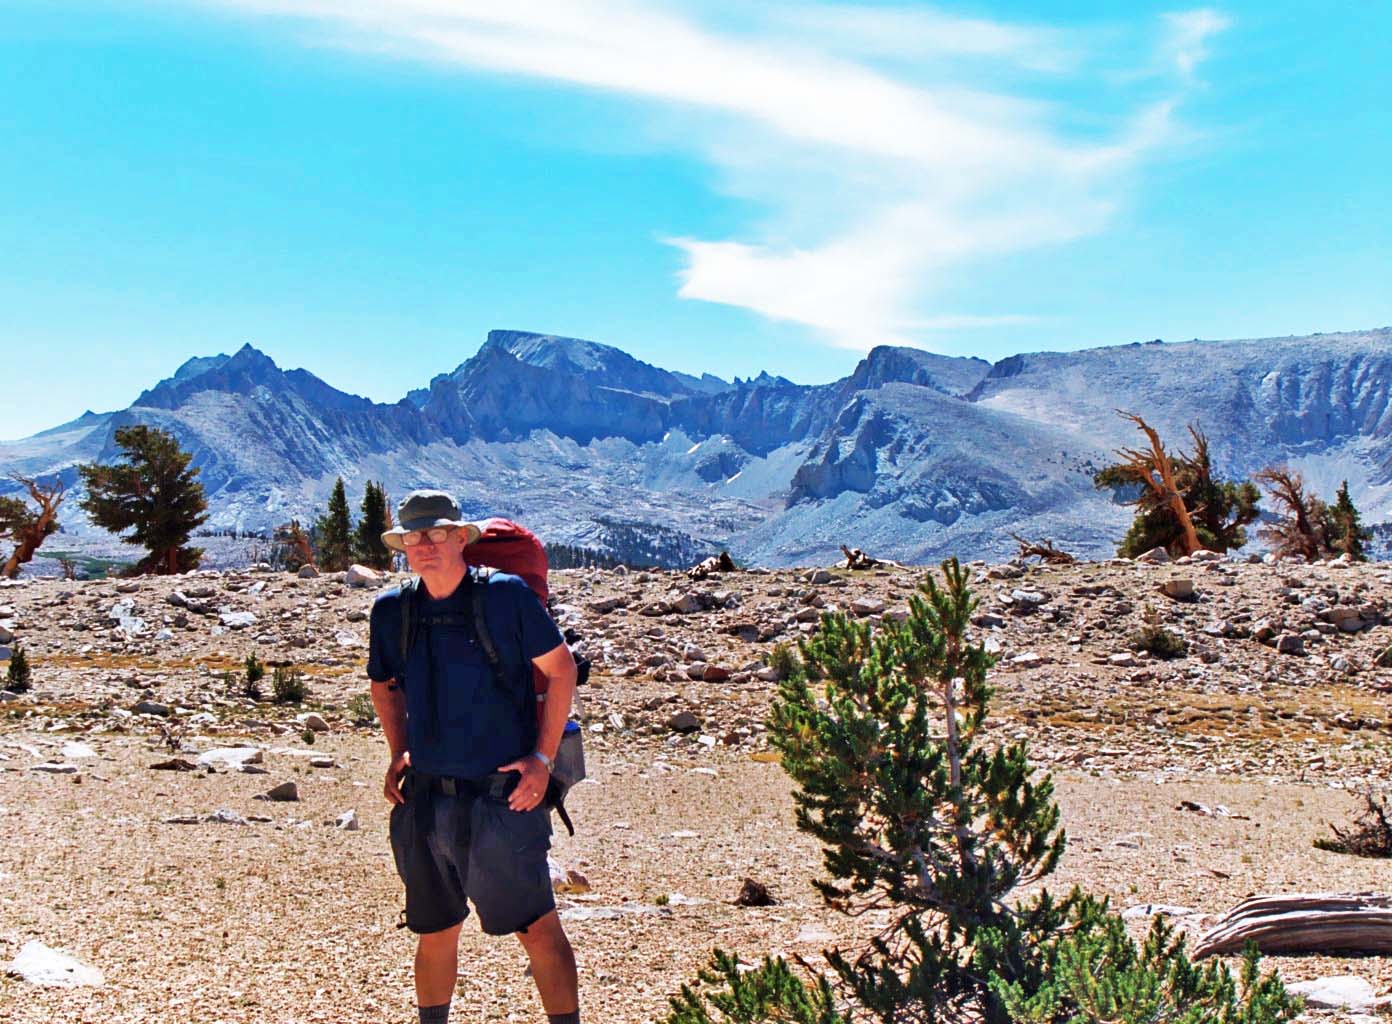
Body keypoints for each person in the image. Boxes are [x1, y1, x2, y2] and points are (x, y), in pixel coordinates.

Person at [367, 489, 581, 1024]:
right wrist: (398, 752)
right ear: (402, 546)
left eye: (437, 533)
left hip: (500, 801)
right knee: (434, 930)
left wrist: (542, 760)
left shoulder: (506, 598)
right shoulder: (392, 611)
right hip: (426, 804)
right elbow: (384, 686)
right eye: (413, 536)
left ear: (462, 537)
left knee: (537, 927)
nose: (425, 545)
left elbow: (562, 671)